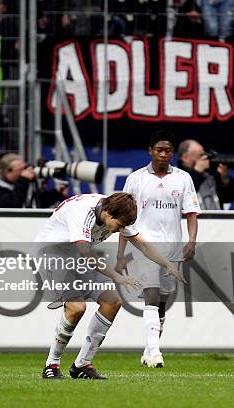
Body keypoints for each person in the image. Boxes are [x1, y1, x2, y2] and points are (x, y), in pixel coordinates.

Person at [37, 192, 181, 380]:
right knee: (76, 307)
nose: (119, 230)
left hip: (78, 257)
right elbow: (85, 252)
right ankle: (51, 365)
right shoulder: (82, 212)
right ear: (107, 213)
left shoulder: (115, 210)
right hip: (53, 256)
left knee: (112, 302)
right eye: (119, 225)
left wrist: (167, 264)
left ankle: (82, 364)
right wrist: (116, 276)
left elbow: (141, 243)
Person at [117, 130, 200, 368]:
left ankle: (148, 350)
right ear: (150, 151)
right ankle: (156, 353)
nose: (164, 154)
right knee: (151, 294)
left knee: (162, 302)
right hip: (144, 245)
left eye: (168, 150)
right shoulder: (136, 179)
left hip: (172, 247)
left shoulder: (183, 178)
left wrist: (191, 241)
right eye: (159, 150)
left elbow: (191, 213)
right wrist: (121, 254)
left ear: (173, 153)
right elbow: (126, 218)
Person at [177, 139, 234, 209]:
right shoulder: (175, 175)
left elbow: (228, 198)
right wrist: (197, 172)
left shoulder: (209, 176)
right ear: (185, 158)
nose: (204, 158)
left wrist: (225, 179)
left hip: (215, 218)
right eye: (199, 155)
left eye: (204, 155)